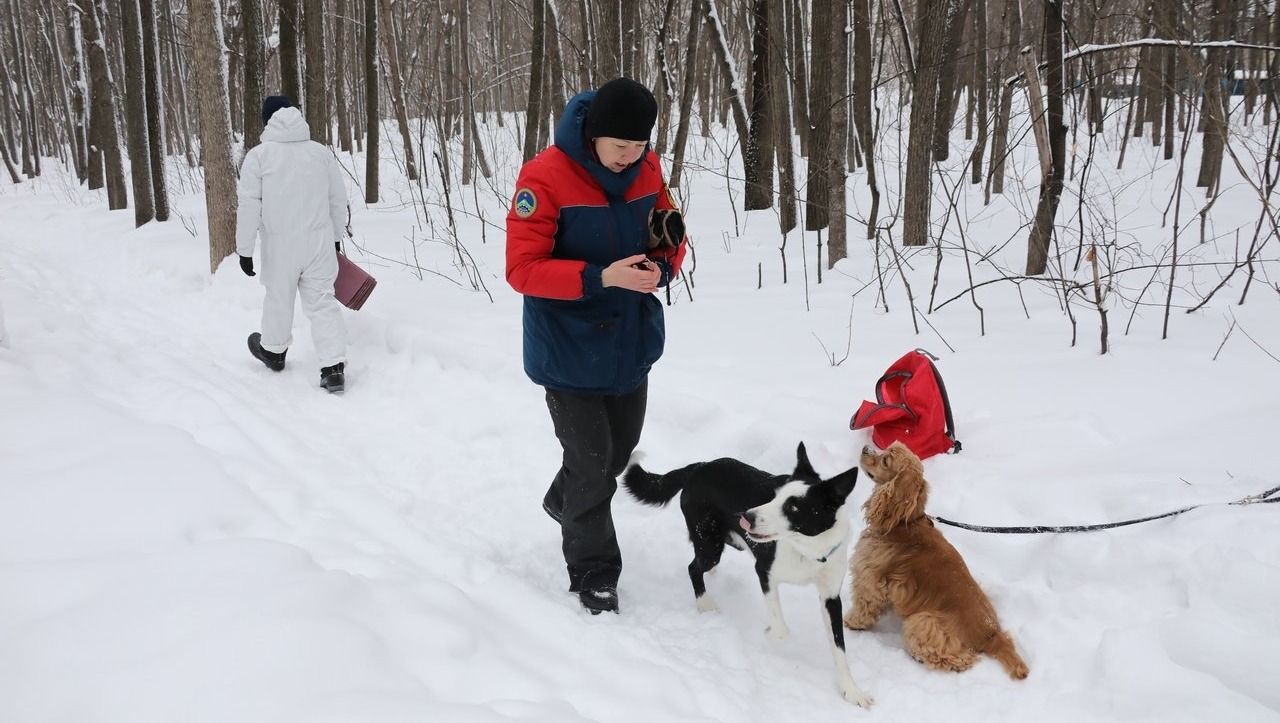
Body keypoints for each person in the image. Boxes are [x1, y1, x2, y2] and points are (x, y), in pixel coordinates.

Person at [505, 77, 689, 615]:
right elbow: (522, 269)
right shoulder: (544, 177)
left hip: (630, 341)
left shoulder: (648, 169)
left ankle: (561, 501)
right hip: (567, 346)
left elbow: (668, 232)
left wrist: (661, 269)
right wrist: (601, 276)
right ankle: (594, 573)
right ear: (593, 135)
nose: (629, 156)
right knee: (590, 465)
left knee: (617, 452)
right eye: (619, 145)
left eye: (639, 145)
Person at [236, 95, 349, 394]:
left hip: (280, 245)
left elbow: (249, 205)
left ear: (267, 121)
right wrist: (336, 237)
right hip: (319, 242)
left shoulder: (259, 156)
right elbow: (337, 199)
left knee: (278, 297)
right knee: (322, 301)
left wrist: (244, 250)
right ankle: (333, 369)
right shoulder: (320, 153)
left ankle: (274, 352)